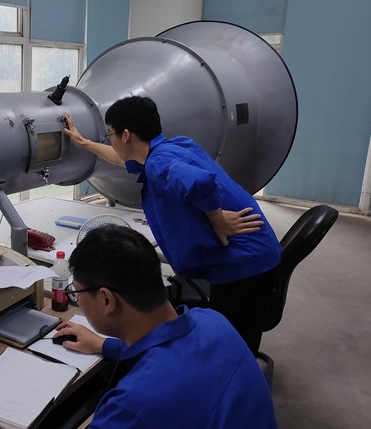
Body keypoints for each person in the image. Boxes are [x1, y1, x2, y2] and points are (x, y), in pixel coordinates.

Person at [0, 225, 284, 429]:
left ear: (107, 300)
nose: (76, 299)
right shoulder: (214, 322)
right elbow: (173, 353)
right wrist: (106, 345)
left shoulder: (133, 407)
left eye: (76, 292)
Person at [63, 96, 281, 355]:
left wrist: (218, 220)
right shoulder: (171, 147)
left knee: (232, 347)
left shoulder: (159, 162)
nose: (109, 139)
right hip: (252, 253)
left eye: (110, 134)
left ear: (126, 135)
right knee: (231, 337)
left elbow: (200, 183)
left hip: (244, 263)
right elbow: (121, 158)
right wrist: (82, 142)